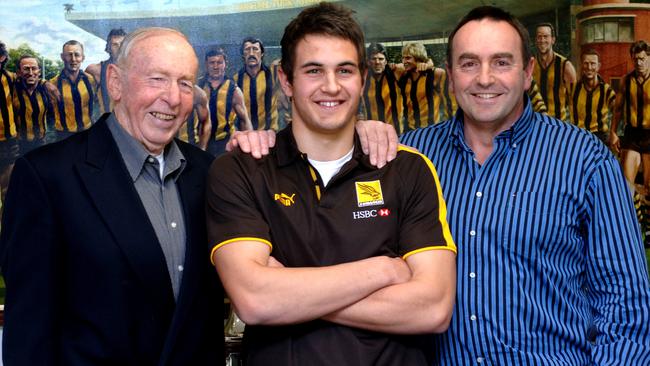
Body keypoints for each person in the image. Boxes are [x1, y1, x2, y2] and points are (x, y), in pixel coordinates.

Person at [231, 5, 650, 365]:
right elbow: (326, 135)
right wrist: (263, 140)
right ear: (449, 76)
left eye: (501, 62)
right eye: (468, 63)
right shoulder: (406, 155)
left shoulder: (584, 160)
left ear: (527, 72)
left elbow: (626, 306)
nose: (484, 78)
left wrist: (295, 301)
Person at [207, 3, 456, 365]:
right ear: (286, 81)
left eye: (345, 70)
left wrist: (289, 291)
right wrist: (383, 270)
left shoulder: (408, 169)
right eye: (313, 70)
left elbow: (433, 309)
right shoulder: (241, 170)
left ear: (363, 80)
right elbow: (255, 302)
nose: (331, 86)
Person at [0, 27, 223, 365]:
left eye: (185, 83)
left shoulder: (209, 172)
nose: (173, 98)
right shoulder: (47, 176)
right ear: (116, 83)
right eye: (157, 79)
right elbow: (29, 332)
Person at [611, 41, 650, 195]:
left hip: (649, 135)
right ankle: (629, 218)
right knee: (626, 186)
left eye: (642, 59)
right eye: (636, 59)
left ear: (649, 58)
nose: (639, 63)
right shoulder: (626, 80)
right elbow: (618, 109)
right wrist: (613, 132)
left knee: (648, 187)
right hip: (632, 134)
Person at [198, 47, 253, 156]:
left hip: (224, 142)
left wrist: (249, 146)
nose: (215, 66)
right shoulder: (198, 86)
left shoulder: (233, 89)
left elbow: (244, 120)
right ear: (206, 64)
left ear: (225, 64)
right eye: (212, 62)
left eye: (219, 62)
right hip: (199, 141)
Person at [398, 42, 454, 132]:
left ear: (418, 57)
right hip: (409, 130)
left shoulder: (436, 74)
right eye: (403, 58)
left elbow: (449, 103)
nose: (404, 61)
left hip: (432, 130)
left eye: (408, 58)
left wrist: (451, 128)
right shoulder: (403, 76)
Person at [49, 40, 97, 141]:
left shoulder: (91, 80)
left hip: (87, 133)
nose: (73, 59)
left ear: (83, 58)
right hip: (63, 136)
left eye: (77, 55)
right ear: (62, 57)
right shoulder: (53, 84)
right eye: (69, 55)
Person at [570, 49, 616, 144]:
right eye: (586, 63)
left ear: (598, 66)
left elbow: (618, 112)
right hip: (578, 137)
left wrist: (613, 132)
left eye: (593, 63)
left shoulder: (606, 90)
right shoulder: (573, 89)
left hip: (600, 138)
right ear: (581, 65)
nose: (589, 67)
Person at [533, 22, 577, 121]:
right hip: (536, 125)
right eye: (539, 37)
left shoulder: (565, 66)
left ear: (553, 40)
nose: (542, 40)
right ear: (536, 40)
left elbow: (574, 102)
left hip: (559, 125)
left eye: (545, 36)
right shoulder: (530, 66)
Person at [233, 37, 279, 131]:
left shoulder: (273, 74)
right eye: (247, 49)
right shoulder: (236, 79)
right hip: (245, 134)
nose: (251, 53)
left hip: (269, 132)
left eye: (255, 49)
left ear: (262, 53)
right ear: (243, 55)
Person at [360, 43, 403, 133]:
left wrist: (428, 62)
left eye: (381, 59)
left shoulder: (395, 72)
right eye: (373, 59)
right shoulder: (363, 77)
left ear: (386, 61)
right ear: (368, 61)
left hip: (395, 132)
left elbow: (416, 66)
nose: (377, 62)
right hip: (372, 133)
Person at [13, 55, 52, 155]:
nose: (30, 73)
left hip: (41, 142)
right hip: (18, 144)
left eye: (34, 68)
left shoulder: (46, 89)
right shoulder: (12, 89)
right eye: (26, 69)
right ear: (19, 72)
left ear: (39, 71)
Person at [85, 28, 127, 115]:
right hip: (108, 122)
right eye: (115, 45)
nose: (119, 48)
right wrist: (48, 83)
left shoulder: (136, 69)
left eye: (122, 44)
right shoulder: (97, 69)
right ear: (109, 47)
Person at [0, 41, 19, 206]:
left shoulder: (10, 78)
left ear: (2, 58)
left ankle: (6, 227)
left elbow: (31, 81)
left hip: (7, 141)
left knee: (7, 189)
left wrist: (45, 83)